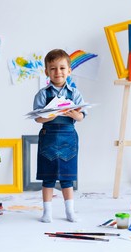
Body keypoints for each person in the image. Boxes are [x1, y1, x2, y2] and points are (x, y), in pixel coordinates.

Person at [33, 49, 87, 223]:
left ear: (69, 71)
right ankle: (47, 212)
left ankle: (69, 211)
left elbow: (82, 116)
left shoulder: (74, 93)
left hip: (68, 138)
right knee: (48, 177)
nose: (58, 72)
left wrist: (73, 114)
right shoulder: (42, 94)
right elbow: (38, 119)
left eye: (62, 68)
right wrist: (51, 114)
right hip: (48, 137)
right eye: (53, 68)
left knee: (67, 177)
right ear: (47, 71)